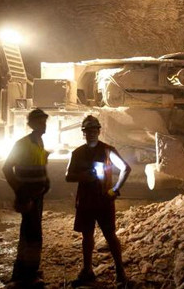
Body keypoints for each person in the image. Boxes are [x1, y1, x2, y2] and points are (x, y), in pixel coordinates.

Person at [66, 115, 132, 288]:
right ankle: (87, 270)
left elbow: (126, 168)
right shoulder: (77, 153)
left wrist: (115, 189)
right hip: (86, 200)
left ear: (99, 131)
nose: (92, 133)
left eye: (95, 130)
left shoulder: (107, 150)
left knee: (110, 235)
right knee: (87, 236)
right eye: (89, 131)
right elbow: (68, 176)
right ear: (84, 133)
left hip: (103, 199)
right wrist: (82, 176)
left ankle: (120, 272)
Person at [2, 108, 50, 288]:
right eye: (40, 122)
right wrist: (20, 192)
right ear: (31, 125)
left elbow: (40, 163)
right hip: (28, 196)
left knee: (29, 233)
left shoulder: (39, 142)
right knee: (33, 235)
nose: (43, 125)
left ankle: (24, 272)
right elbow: (7, 168)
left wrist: (46, 180)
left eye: (44, 122)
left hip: (38, 196)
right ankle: (27, 277)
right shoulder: (22, 144)